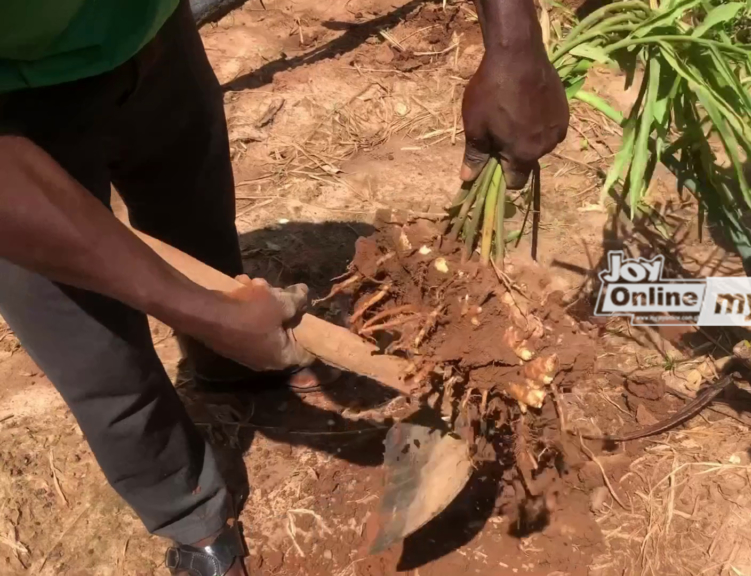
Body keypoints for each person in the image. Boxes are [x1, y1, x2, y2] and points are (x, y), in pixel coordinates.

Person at [0, 0, 568, 574]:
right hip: (11, 101)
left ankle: (231, 368)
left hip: (147, 25)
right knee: (100, 354)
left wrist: (514, 42)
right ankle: (190, 515)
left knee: (197, 223)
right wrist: (200, 311)